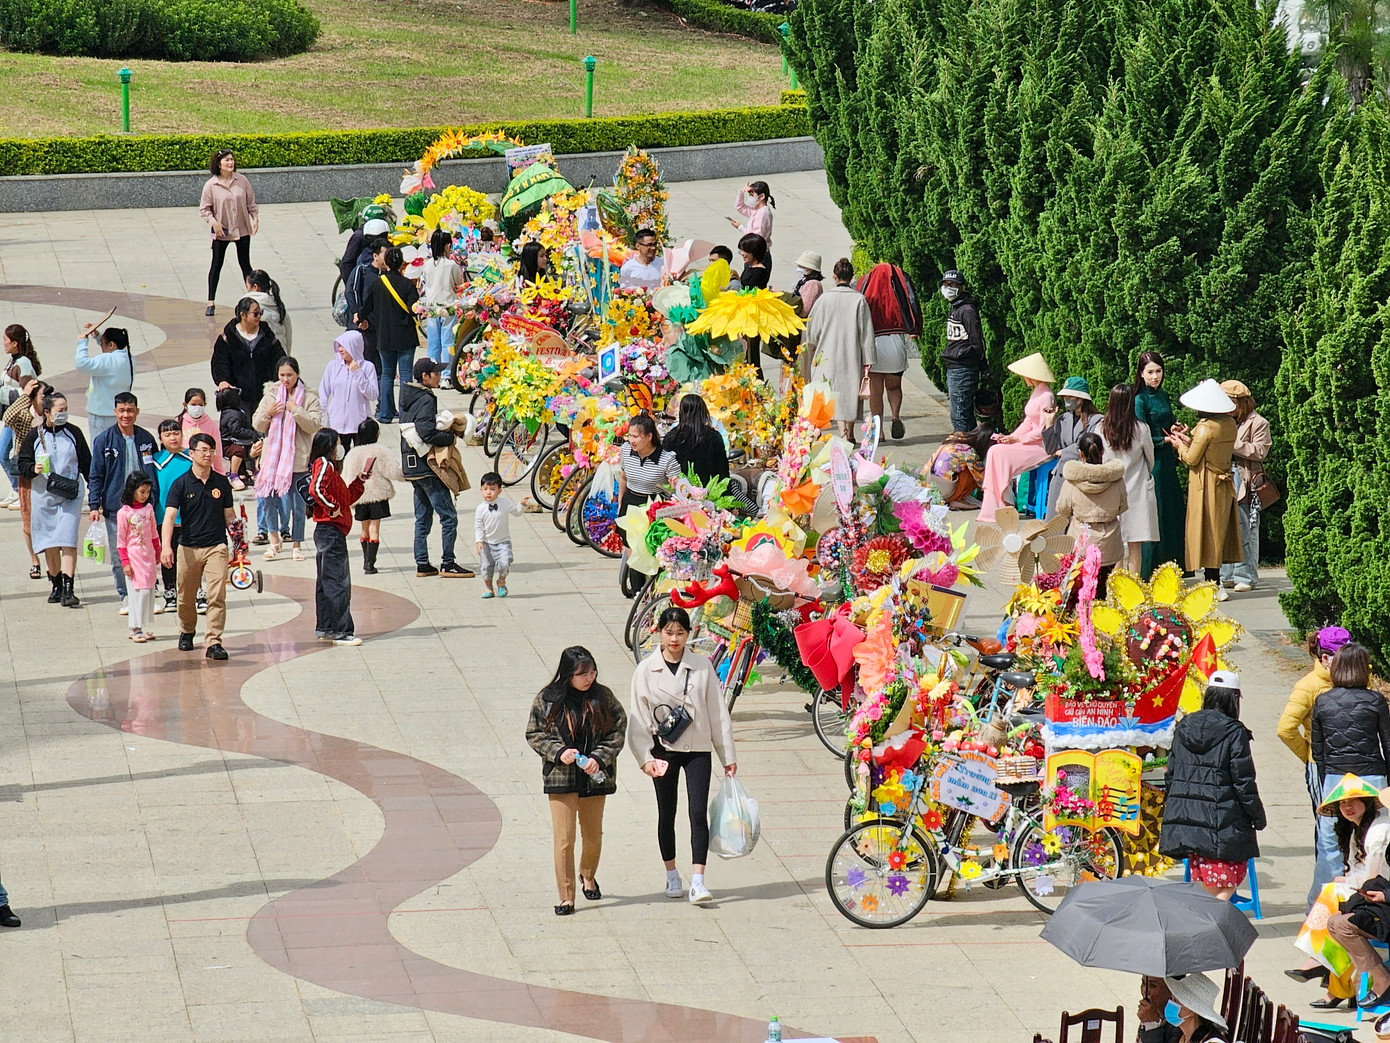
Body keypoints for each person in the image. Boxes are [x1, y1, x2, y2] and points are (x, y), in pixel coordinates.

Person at [627, 605, 737, 904]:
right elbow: (638, 717)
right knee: (667, 812)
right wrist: (645, 757)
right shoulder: (646, 670)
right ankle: (671, 873)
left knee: (697, 812)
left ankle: (699, 880)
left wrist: (727, 755)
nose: (674, 639)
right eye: (669, 633)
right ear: (659, 633)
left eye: (680, 633)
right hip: (664, 749)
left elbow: (717, 712)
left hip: (698, 748)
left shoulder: (702, 666)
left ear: (689, 634)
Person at [525, 646, 627, 915]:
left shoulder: (603, 697)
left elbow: (618, 730)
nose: (589, 678)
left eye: (592, 672)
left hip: (595, 778)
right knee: (564, 839)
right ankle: (566, 896)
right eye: (582, 674)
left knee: (593, 835)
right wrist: (559, 752)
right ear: (568, 674)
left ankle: (587, 874)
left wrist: (599, 756)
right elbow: (534, 734)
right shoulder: (547, 699)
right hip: (561, 776)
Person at [1158, 672, 1266, 898]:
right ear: (1233, 699)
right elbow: (1243, 781)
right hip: (1223, 823)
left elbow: (1172, 773)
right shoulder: (1234, 731)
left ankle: (1207, 912)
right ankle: (1213, 917)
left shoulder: (1185, 725)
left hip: (1188, 824)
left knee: (1207, 876)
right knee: (1229, 877)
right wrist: (1257, 816)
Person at [1291, 774, 1390, 1009]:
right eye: (1343, 803)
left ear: (1367, 802)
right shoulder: (1359, 830)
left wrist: (1349, 882)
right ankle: (1336, 983)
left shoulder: (1380, 831)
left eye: (1354, 800)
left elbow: (1373, 878)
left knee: (1334, 902)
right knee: (1334, 917)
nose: (1348, 806)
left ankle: (1324, 968)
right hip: (1377, 894)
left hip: (1382, 898)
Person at [1309, 641, 1390, 914]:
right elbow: (1387, 744)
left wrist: (1325, 781)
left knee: (1330, 842)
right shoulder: (1375, 700)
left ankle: (1324, 906)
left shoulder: (1323, 701)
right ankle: (1371, 901)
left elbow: (1318, 750)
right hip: (1372, 776)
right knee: (1375, 839)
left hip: (1335, 774)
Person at [1279, 625, 1352, 905]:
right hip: (1320, 769)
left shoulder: (1357, 679)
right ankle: (1322, 900)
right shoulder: (1309, 685)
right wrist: (1309, 756)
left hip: (1349, 766)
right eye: (1339, 656)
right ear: (1324, 658)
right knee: (1327, 832)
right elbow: (1286, 728)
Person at [161, 433, 234, 660]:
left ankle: (214, 642)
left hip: (216, 547)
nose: (208, 454)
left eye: (211, 450)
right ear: (191, 453)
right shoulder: (180, 483)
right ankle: (187, 630)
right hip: (188, 547)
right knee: (185, 596)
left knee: (216, 594)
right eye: (203, 450)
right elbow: (170, 516)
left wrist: (240, 542)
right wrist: (166, 547)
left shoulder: (221, 483)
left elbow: (229, 516)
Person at [400, 358, 472, 578]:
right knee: (448, 516)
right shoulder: (425, 399)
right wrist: (450, 437)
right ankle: (448, 563)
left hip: (410, 465)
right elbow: (426, 432)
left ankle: (422, 562)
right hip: (426, 466)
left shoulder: (407, 395)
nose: (439, 376)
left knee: (422, 516)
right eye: (436, 373)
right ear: (425, 376)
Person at [1166, 379, 1241, 592]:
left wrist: (1179, 445)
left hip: (1205, 483)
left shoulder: (1204, 428)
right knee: (1218, 530)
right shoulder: (1229, 424)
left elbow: (1191, 459)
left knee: (1205, 529)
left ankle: (1212, 583)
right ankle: (1214, 580)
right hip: (1224, 480)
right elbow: (1210, 451)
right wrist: (1188, 441)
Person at [17, 389, 90, 608]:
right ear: (47, 412)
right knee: (50, 542)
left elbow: (87, 463)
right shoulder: (34, 436)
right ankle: (56, 583)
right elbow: (22, 464)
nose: (63, 414)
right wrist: (33, 468)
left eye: (66, 410)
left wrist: (96, 495)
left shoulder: (74, 433)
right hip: (44, 496)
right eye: (60, 410)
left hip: (70, 495)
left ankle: (69, 588)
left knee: (67, 539)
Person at [86, 390, 157, 611]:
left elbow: (156, 469)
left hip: (144, 507)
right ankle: (125, 595)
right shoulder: (103, 441)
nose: (126, 414)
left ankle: (148, 592)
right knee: (120, 555)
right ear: (115, 412)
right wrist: (94, 503)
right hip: (116, 508)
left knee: (147, 551)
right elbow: (95, 474)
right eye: (122, 410)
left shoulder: (146, 439)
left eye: (130, 410)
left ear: (137, 412)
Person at [253, 356, 321, 562]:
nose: (285, 379)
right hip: (272, 462)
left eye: (289, 375)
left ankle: (297, 543)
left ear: (297, 374)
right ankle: (274, 540)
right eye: (282, 375)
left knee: (298, 506)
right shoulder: (271, 394)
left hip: (297, 462)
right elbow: (257, 424)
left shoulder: (309, 397)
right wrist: (268, 413)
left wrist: (296, 410)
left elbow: (314, 425)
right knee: (268, 502)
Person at [302, 429, 367, 645]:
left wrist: (359, 482)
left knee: (326, 581)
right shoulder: (323, 464)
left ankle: (327, 626)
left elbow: (346, 497)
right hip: (330, 530)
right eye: (338, 443)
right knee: (338, 581)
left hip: (330, 531)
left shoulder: (330, 468)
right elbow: (315, 490)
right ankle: (342, 630)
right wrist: (333, 507)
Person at [977, 352, 1056, 523]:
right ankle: (995, 504)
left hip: (1041, 446)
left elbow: (1044, 429)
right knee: (995, 450)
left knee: (1000, 453)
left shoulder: (1047, 396)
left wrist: (1018, 440)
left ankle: (1002, 503)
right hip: (1028, 441)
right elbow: (1028, 422)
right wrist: (1010, 437)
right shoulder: (1037, 392)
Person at [805, 258, 876, 439]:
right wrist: (868, 361)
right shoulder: (859, 300)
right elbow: (866, 333)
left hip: (825, 353)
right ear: (851, 277)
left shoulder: (824, 299)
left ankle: (841, 431)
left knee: (828, 392)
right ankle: (848, 432)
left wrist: (812, 347)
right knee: (849, 392)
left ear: (834, 276)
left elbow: (812, 331)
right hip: (851, 352)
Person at [1053, 432, 1127, 596]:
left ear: (1080, 453)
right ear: (1102, 452)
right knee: (1104, 589)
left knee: (1082, 591)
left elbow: (1063, 509)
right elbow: (1122, 506)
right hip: (1110, 541)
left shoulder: (1072, 479)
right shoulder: (1116, 478)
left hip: (1082, 539)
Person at [1133, 351, 1186, 578]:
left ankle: (1171, 570)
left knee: (1171, 513)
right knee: (1155, 514)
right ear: (1141, 374)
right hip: (1152, 461)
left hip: (1167, 462)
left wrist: (1175, 429)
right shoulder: (1139, 400)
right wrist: (1165, 440)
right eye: (1150, 372)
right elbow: (1139, 436)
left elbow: (1165, 423)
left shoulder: (1163, 395)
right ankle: (1149, 571)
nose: (1155, 377)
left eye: (1158, 371)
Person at [857, 262, 921, 441]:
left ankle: (880, 431)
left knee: (876, 392)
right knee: (894, 387)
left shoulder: (866, 284)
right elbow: (912, 303)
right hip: (895, 344)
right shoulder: (898, 285)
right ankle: (895, 416)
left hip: (874, 345)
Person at [1100, 383, 1158, 574]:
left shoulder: (1102, 429)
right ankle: (1132, 590)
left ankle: (1115, 588)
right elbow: (1150, 459)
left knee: (1115, 545)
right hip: (1138, 490)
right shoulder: (1141, 429)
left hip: (1112, 490)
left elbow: (1100, 460)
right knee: (1135, 546)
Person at [1219, 380, 1270, 593]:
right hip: (1223, 476)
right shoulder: (1220, 422)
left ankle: (1246, 575)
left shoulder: (1258, 422)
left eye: (1231, 403)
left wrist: (1232, 443)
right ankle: (1226, 574)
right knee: (1224, 527)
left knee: (1245, 527)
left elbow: (1260, 451)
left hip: (1245, 478)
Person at [363, 246, 420, 424]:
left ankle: (385, 414)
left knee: (387, 374)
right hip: (405, 336)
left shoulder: (377, 284)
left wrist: (361, 318)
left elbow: (366, 307)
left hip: (384, 336)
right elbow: (414, 309)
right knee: (405, 375)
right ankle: (405, 414)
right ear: (402, 263)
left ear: (386, 262)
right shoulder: (407, 284)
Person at [200, 148, 257, 316]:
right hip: (221, 230)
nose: (230, 163)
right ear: (219, 164)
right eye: (226, 161)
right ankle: (211, 301)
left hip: (242, 228)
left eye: (231, 160)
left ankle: (253, 299)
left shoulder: (242, 181)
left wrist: (255, 218)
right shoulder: (211, 185)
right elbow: (204, 209)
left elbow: (251, 203)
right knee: (216, 264)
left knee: (245, 264)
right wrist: (214, 223)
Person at [341, 418, 402, 575]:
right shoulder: (380, 451)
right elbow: (393, 471)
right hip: (378, 494)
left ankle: (365, 560)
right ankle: (371, 563)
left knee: (364, 529)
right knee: (375, 528)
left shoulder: (352, 454)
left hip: (360, 496)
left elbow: (346, 477)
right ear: (376, 434)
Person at [1042, 376, 1104, 518]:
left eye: (1069, 396)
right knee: (1056, 521)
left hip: (1082, 475)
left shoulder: (1096, 419)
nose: (1066, 400)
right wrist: (1049, 423)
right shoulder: (1063, 419)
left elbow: (1088, 444)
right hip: (1061, 474)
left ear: (1080, 398)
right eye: (1064, 396)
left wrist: (1063, 451)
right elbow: (1051, 449)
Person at [2, 379, 45, 577]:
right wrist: (25, 396)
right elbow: (8, 416)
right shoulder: (24, 418)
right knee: (28, 519)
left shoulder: (51, 418)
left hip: (47, 474)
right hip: (27, 474)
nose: (46, 401)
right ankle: (34, 559)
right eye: (42, 396)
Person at [211, 297, 284, 407]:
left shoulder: (267, 336)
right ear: (243, 315)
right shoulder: (227, 338)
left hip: (264, 396)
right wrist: (222, 381)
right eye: (255, 313)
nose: (259, 316)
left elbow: (279, 359)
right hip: (238, 397)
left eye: (260, 312)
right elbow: (219, 362)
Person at [115, 471, 161, 643]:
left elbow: (154, 532)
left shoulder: (148, 509)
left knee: (148, 591)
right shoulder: (124, 513)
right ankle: (135, 627)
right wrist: (125, 562)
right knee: (137, 592)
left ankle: (143, 625)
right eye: (142, 492)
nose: (145, 495)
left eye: (147, 492)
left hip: (148, 556)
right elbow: (120, 541)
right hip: (134, 557)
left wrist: (157, 551)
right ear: (132, 490)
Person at [151, 418, 191, 615]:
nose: (172, 437)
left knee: (191, 556)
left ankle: (196, 591)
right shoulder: (155, 461)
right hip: (163, 516)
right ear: (160, 438)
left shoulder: (191, 459)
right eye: (167, 434)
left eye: (176, 433)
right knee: (168, 555)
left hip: (189, 516)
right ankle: (170, 591)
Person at [940, 270, 986, 436]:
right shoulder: (955, 308)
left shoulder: (967, 310)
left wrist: (970, 359)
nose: (947, 288)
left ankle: (961, 450)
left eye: (952, 285)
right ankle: (974, 447)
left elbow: (977, 342)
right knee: (964, 416)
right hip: (953, 366)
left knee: (959, 415)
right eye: (945, 284)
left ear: (962, 287)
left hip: (963, 367)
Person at [318, 330, 379, 452]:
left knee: (360, 458)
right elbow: (323, 393)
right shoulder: (332, 366)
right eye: (339, 346)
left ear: (354, 346)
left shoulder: (367, 367)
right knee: (339, 459)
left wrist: (358, 373)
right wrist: (320, 418)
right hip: (337, 423)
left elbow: (372, 395)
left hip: (359, 424)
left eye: (343, 346)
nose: (340, 349)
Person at [475, 471, 532, 598]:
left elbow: (516, 513)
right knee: (485, 567)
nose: (488, 492)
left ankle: (501, 581)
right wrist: (479, 541)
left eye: (492, 489)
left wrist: (521, 505)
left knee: (505, 563)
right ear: (481, 490)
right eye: (485, 489)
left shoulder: (504, 503)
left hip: (503, 542)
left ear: (499, 491)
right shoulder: (480, 509)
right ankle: (489, 588)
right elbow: (478, 527)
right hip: (487, 543)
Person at [617, 414, 682, 524]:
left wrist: (677, 483)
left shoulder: (667, 459)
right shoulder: (626, 450)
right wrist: (620, 502)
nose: (631, 440)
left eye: (636, 437)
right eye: (630, 436)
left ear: (649, 437)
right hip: (629, 503)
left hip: (654, 507)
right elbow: (623, 478)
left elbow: (679, 488)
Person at [75, 324, 134, 441]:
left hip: (101, 416)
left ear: (111, 345)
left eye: (102, 343)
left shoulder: (106, 360)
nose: (101, 346)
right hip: (117, 412)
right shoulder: (129, 358)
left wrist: (82, 343)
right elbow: (111, 348)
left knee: (99, 447)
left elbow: (81, 364)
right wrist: (98, 336)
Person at [347, 227, 390, 372]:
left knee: (378, 371)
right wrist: (359, 317)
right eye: (385, 254)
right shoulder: (362, 271)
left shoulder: (388, 276)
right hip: (362, 329)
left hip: (380, 330)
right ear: (375, 256)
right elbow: (351, 293)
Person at [664, 394, 730, 487]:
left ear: (681, 412)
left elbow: (664, 467)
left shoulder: (672, 437)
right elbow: (722, 471)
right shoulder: (713, 437)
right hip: (709, 492)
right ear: (703, 412)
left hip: (679, 492)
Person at [421, 229, 464, 367]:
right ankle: (446, 374)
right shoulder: (451, 265)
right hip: (449, 306)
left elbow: (425, 282)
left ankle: (433, 371)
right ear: (447, 246)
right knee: (448, 342)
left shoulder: (427, 264)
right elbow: (459, 283)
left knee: (433, 343)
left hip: (432, 307)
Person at [1161, 974, 1231, 1043]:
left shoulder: (1213, 1041)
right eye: (1172, 998)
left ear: (1192, 1010)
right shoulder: (1183, 1037)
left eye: (1176, 1000)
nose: (1170, 1003)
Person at [216, 387, 261, 490]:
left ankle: (248, 472)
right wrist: (252, 434)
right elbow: (236, 431)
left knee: (256, 446)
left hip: (234, 441)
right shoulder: (233, 414)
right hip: (228, 443)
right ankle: (234, 475)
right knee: (239, 450)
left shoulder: (228, 412)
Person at [179, 387, 224, 473]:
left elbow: (217, 450)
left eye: (200, 405)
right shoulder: (178, 422)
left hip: (205, 470)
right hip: (184, 469)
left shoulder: (211, 424)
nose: (197, 408)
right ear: (185, 405)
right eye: (193, 405)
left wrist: (219, 472)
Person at [245, 270, 292, 350]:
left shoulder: (247, 306)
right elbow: (288, 337)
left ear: (255, 287)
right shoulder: (279, 306)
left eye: (247, 287)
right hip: (280, 356)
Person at [729, 181, 774, 259]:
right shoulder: (756, 210)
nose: (750, 198)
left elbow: (756, 238)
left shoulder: (763, 213)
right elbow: (740, 207)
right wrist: (741, 192)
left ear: (761, 196)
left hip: (758, 255)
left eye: (752, 195)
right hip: (754, 252)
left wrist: (741, 227)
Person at [2, 323, 41, 407]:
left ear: (14, 343)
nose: (3, 343)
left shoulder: (23, 363)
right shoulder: (14, 360)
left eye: (5, 340)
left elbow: (27, 393)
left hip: (17, 414)